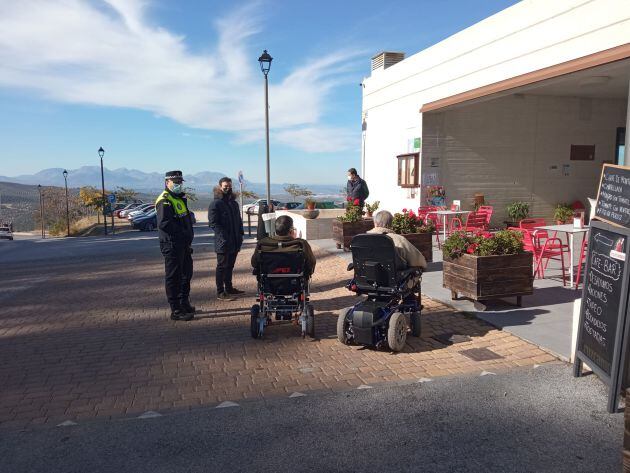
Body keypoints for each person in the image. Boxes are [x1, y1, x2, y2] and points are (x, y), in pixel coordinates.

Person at [156, 170, 195, 321]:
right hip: (172, 244)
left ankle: (184, 302)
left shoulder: (178, 198)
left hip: (183, 244)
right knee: (174, 277)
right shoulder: (164, 200)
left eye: (180, 182)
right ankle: (176, 309)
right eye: (176, 182)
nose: (179, 184)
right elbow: (164, 223)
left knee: (186, 274)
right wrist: (183, 233)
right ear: (167, 183)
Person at [209, 177, 245, 301]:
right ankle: (220, 292)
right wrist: (224, 238)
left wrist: (241, 234)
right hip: (223, 243)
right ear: (220, 187)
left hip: (235, 241)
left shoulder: (233, 203)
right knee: (222, 267)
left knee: (230, 266)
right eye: (225, 186)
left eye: (229, 185)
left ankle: (229, 288)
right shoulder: (216, 203)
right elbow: (213, 224)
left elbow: (239, 221)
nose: (227, 188)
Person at [251, 215, 316, 279]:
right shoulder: (300, 244)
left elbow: (254, 263)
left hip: (269, 283)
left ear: (276, 229)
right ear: (291, 230)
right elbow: (311, 262)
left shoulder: (263, 243)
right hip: (295, 282)